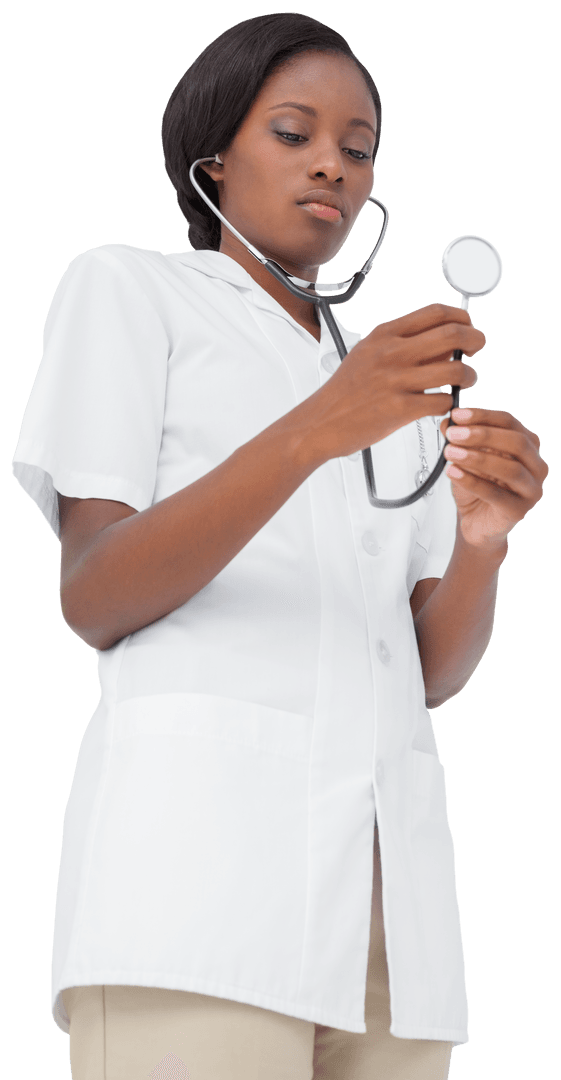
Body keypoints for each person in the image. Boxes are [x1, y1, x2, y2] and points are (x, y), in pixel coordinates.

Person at [11, 12, 548, 1080]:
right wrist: (316, 429)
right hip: (201, 891)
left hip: (394, 918)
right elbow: (96, 593)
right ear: (213, 160)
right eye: (294, 132)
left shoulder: (382, 383)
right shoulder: (131, 291)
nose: (333, 168)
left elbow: (428, 672)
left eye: (359, 149)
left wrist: (485, 542)